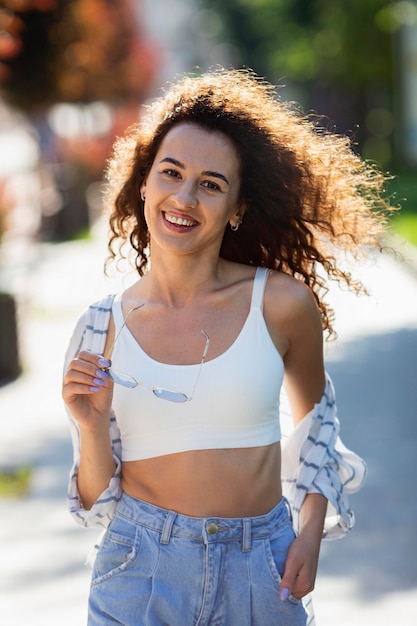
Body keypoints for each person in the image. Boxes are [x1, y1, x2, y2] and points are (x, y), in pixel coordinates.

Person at [62, 68, 389, 625]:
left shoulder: (280, 304)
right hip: (139, 568)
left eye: (211, 184)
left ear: (237, 208)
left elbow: (319, 431)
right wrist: (91, 428)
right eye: (171, 173)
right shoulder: (101, 327)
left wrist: (308, 536)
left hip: (259, 569)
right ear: (144, 184)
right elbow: (94, 500)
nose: (184, 197)